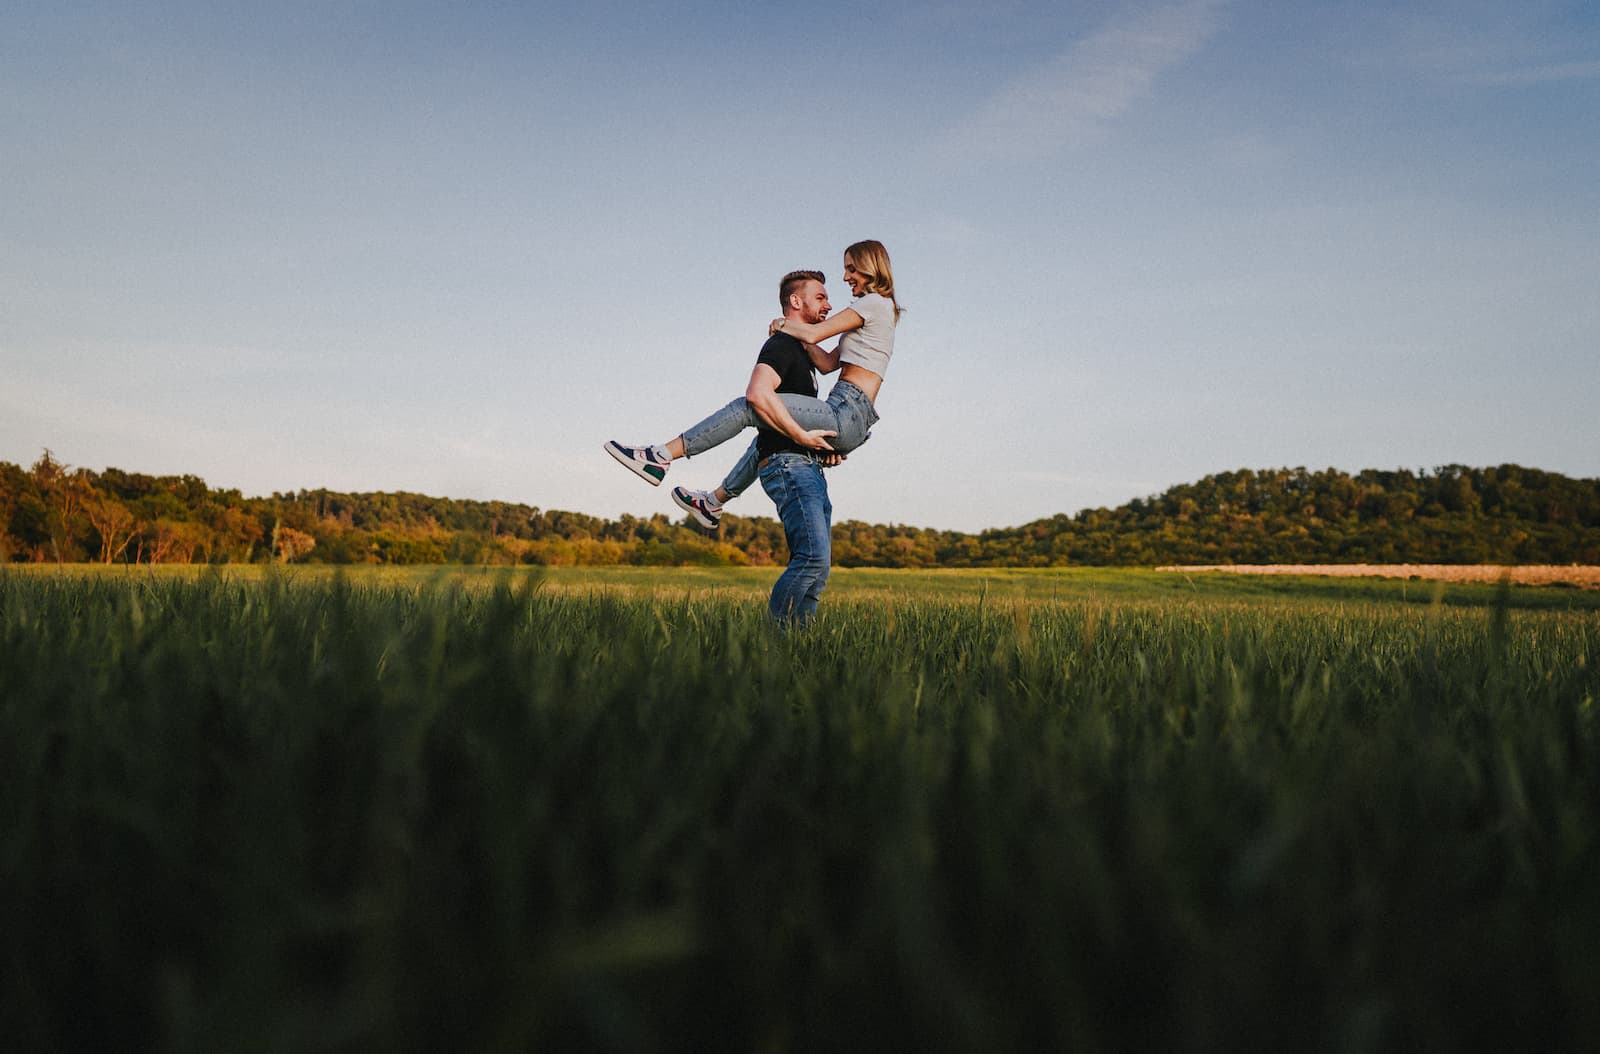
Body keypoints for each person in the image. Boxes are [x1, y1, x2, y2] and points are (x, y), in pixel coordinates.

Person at [604, 240, 900, 530]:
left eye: (851, 269)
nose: (846, 276)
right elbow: (826, 363)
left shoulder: (874, 303)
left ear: (869, 266)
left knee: (752, 404)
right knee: (770, 420)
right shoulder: (875, 312)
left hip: (847, 409)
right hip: (851, 414)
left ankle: (660, 456)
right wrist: (795, 334)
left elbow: (815, 335)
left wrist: (783, 324)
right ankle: (712, 502)